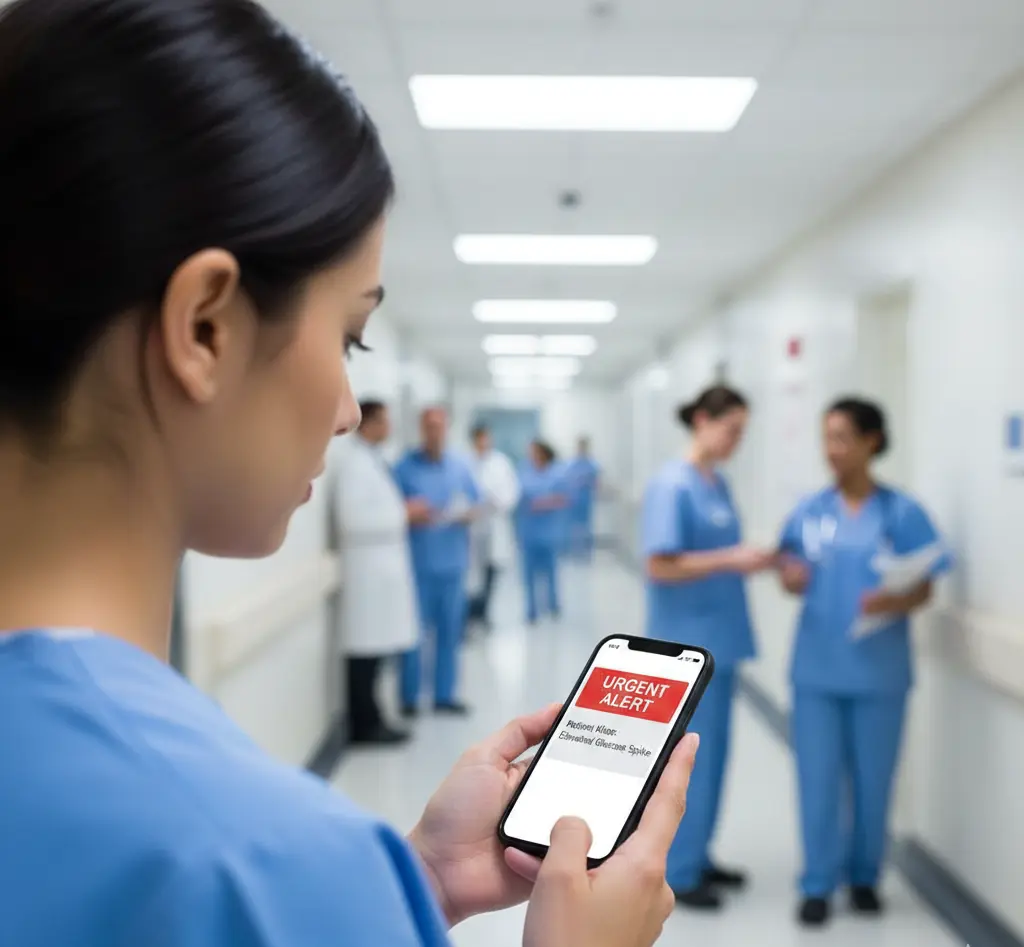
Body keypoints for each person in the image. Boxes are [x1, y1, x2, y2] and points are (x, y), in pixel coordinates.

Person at [0, 1, 703, 944]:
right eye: (348, 335)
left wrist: (416, 885)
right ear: (205, 327)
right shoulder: (259, 861)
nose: (345, 407)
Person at [777, 398, 953, 928]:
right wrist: (791, 577)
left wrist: (894, 600)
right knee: (817, 782)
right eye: (826, 438)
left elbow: (925, 585)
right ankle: (817, 883)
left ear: (871, 441)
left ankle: (864, 878)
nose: (831, 450)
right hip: (816, 670)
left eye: (842, 438)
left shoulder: (902, 513)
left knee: (875, 781)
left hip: (879, 672)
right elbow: (789, 568)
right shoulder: (810, 512)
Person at [641, 385, 777, 910]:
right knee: (689, 762)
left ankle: (699, 855)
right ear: (701, 419)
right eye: (731, 429)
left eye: (742, 432)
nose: (736, 441)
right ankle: (679, 869)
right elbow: (660, 565)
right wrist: (731, 559)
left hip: (721, 641)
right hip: (687, 646)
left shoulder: (715, 482)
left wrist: (750, 559)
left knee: (715, 759)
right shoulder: (671, 485)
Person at [333, 401, 421, 746]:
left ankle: (374, 720)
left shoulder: (372, 460)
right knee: (364, 656)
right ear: (367, 422)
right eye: (384, 420)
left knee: (375, 655)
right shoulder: (355, 465)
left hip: (378, 574)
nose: (390, 426)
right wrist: (403, 514)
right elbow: (351, 521)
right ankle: (365, 726)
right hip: (366, 575)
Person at [394, 407, 479, 716]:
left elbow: (475, 503)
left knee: (449, 633)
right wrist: (409, 513)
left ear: (447, 429)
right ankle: (410, 698)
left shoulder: (460, 467)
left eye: (440, 426)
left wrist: (467, 514)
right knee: (413, 635)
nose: (435, 432)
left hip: (453, 565)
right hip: (417, 566)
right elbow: (391, 509)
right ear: (421, 429)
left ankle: (444, 696)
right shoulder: (404, 468)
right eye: (429, 426)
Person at [466, 423, 520, 634]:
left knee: (491, 572)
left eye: (487, 438)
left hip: (495, 523)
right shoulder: (466, 462)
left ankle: (484, 614)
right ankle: (471, 615)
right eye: (480, 438)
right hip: (473, 526)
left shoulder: (501, 463)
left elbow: (512, 492)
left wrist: (496, 501)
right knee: (472, 575)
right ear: (474, 440)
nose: (484, 442)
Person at [518, 440, 570, 625]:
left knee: (550, 572)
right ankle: (532, 610)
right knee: (529, 574)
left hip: (549, 533)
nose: (531, 455)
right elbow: (517, 498)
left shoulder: (556, 474)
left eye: (534, 452)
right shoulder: (525, 473)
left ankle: (553, 606)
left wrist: (543, 503)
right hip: (529, 532)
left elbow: (565, 498)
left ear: (543, 453)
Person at [565, 437, 601, 559]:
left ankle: (586, 553)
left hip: (585, 499)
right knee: (573, 527)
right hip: (573, 500)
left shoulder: (592, 464)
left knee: (586, 526)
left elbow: (596, 482)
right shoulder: (571, 464)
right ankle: (574, 551)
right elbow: (567, 481)